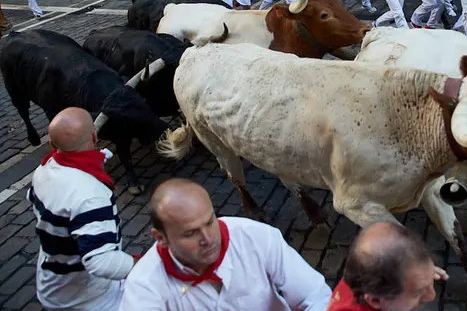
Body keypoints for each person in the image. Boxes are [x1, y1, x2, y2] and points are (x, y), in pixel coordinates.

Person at [119, 178, 331, 310]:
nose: (208, 238)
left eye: (210, 221)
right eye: (191, 233)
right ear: (160, 238)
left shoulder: (255, 236)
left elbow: (314, 294)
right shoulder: (143, 285)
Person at [28, 107, 138, 310]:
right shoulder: (91, 195)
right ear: (95, 137)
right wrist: (144, 265)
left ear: (52, 144)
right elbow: (101, 262)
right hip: (89, 299)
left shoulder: (42, 171)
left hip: (51, 285)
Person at [326, 222, 448, 311]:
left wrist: (421, 275)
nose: (431, 296)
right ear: (375, 301)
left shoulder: (364, 273)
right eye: (417, 293)